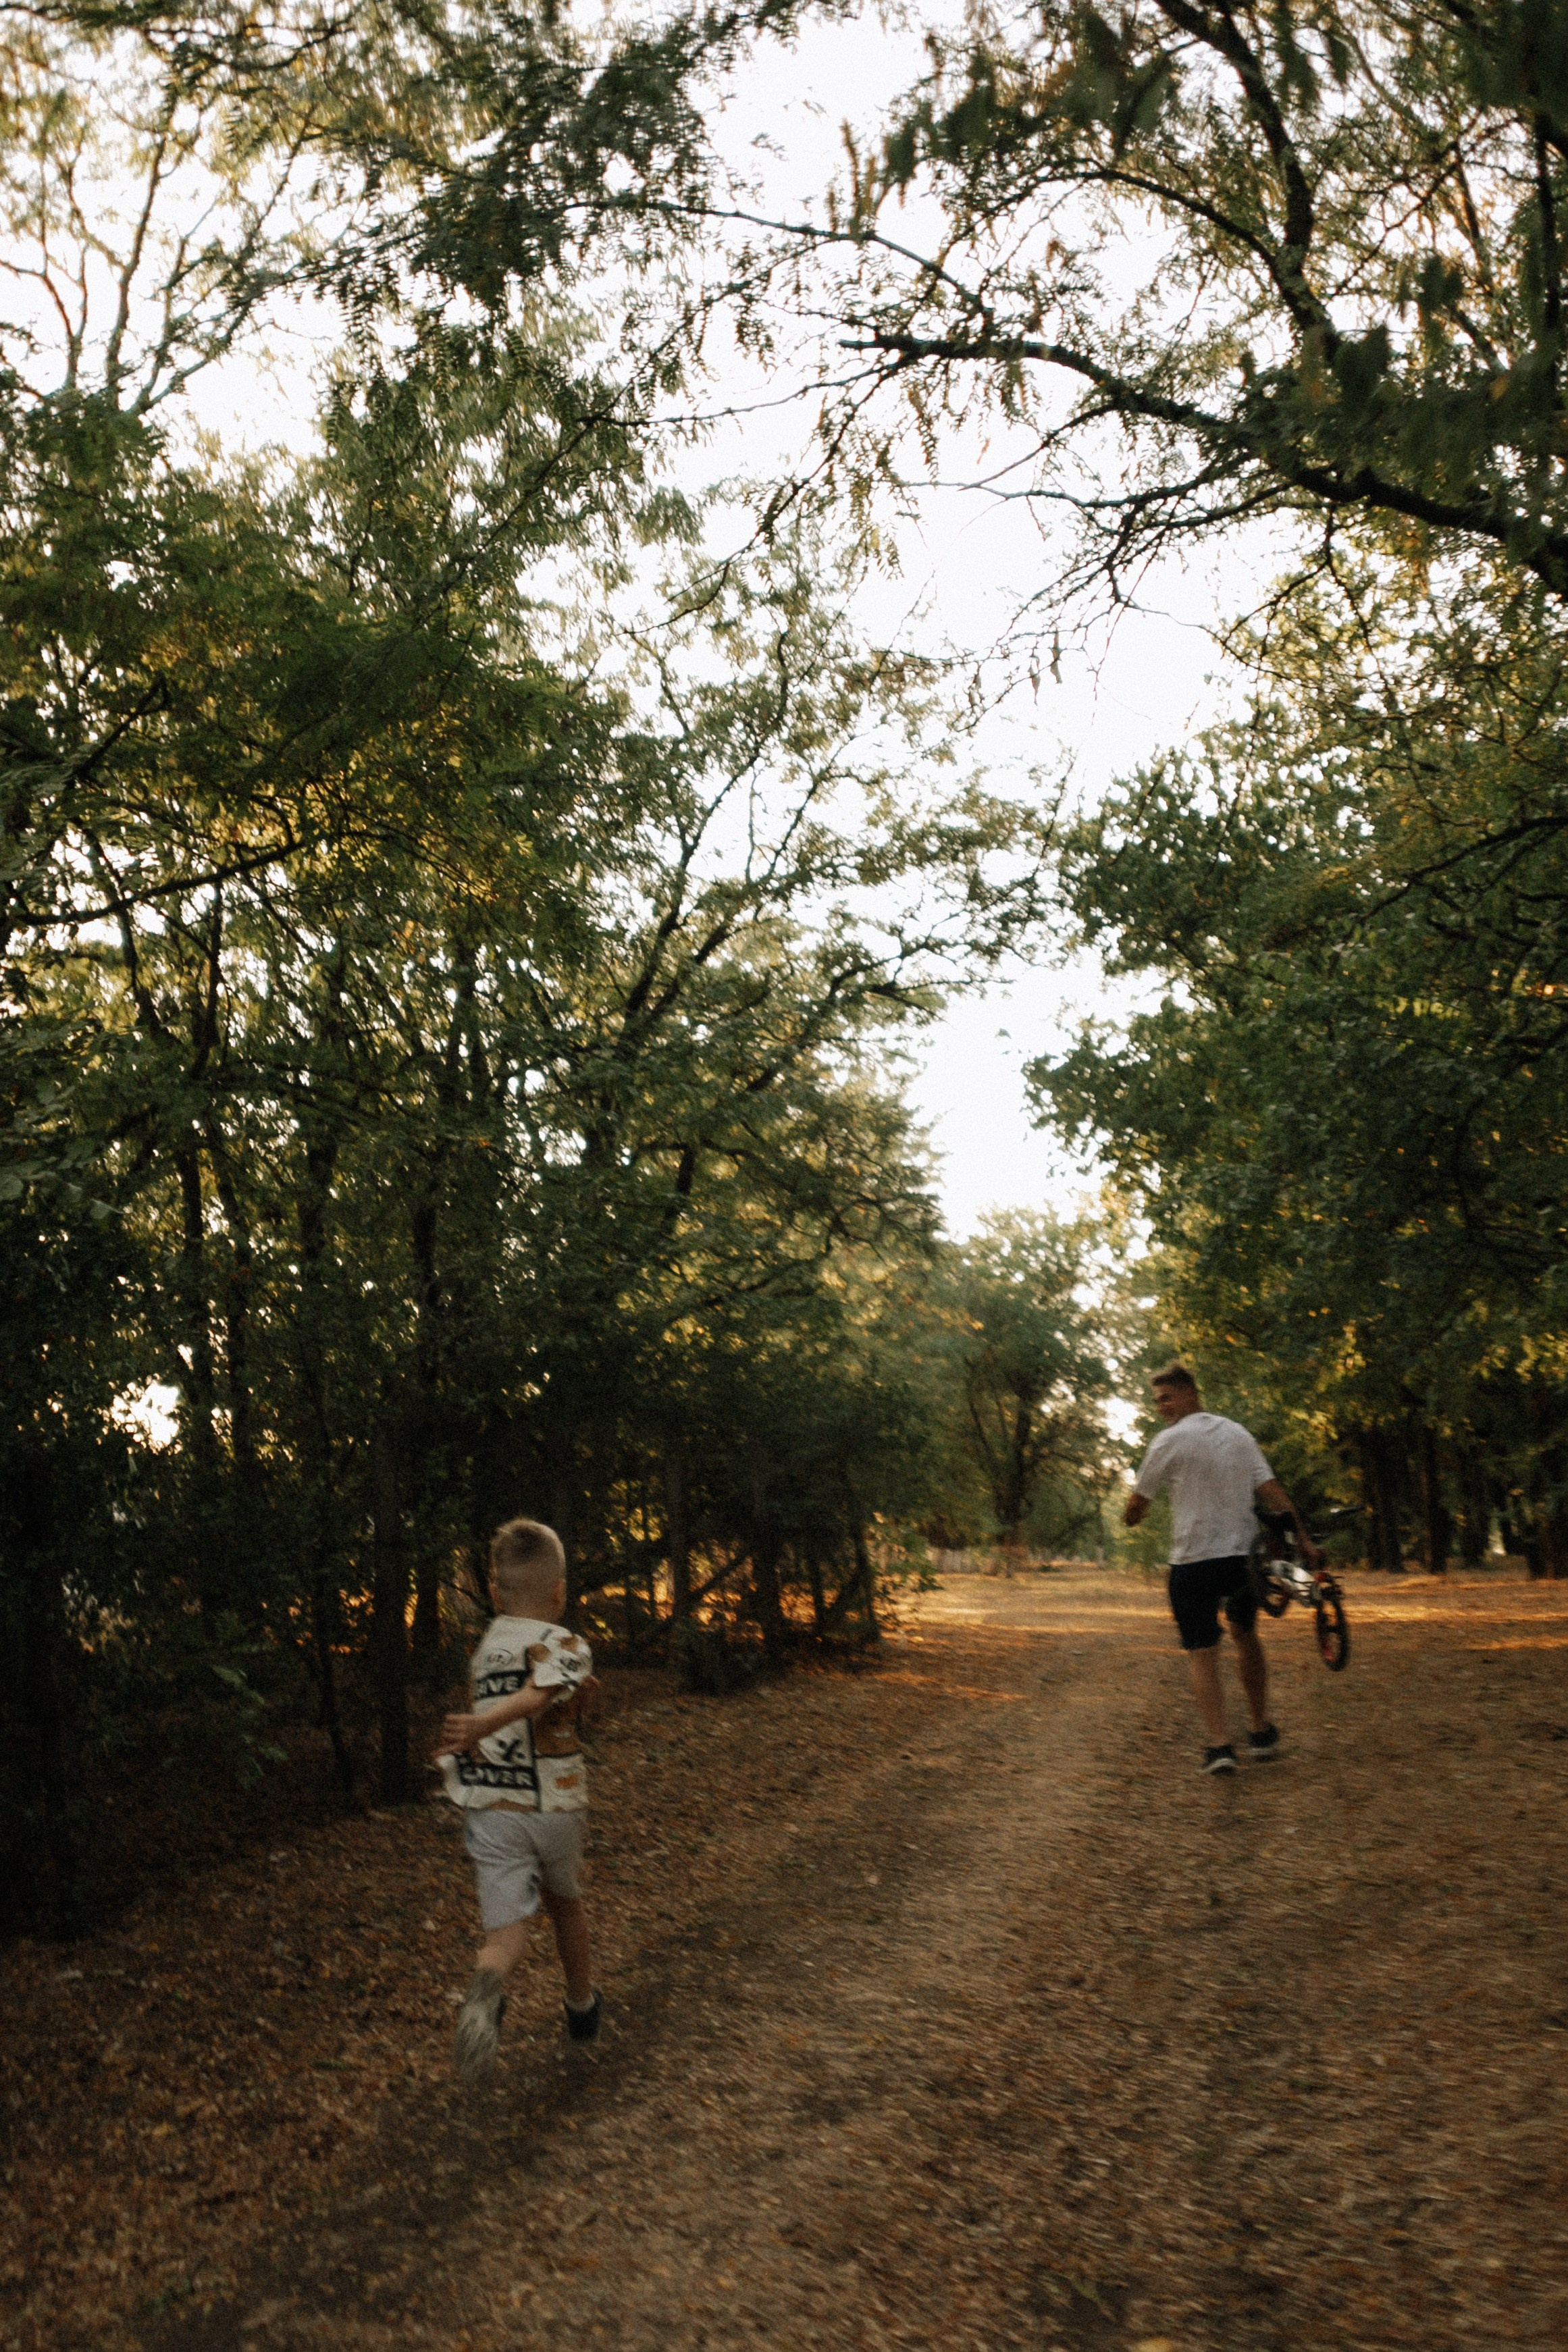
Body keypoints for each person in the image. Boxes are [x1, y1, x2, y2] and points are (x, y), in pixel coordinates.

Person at [432, 1515, 601, 2081]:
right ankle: (582, 2007)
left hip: (492, 1809)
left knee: (505, 1932)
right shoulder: (566, 1643)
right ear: (560, 1591)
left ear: (496, 1593)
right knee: (565, 1904)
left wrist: (568, 1705)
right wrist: (484, 1726)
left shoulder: (484, 1649)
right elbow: (537, 1692)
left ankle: (487, 1986)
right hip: (552, 1806)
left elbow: (541, 1702)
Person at [1124, 1364, 1320, 1775]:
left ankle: (1220, 1746)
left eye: (1167, 1398)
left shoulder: (1167, 1442)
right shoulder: (1238, 1434)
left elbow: (1139, 1503)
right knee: (1245, 1635)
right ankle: (1260, 1732)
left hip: (1192, 1562)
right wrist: (1302, 1539)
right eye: (1157, 1401)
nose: (1161, 1407)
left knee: (1202, 1652)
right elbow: (1272, 1491)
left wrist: (1131, 1517)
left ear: (1190, 1394)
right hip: (1241, 1560)